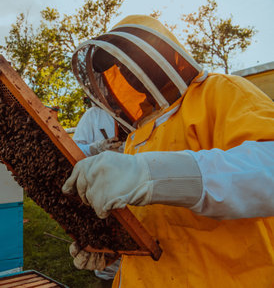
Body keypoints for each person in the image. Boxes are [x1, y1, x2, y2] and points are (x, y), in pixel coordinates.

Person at [63, 15, 274, 287]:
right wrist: (113, 244)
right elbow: (156, 221)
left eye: (133, 58)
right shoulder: (138, 135)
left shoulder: (221, 91)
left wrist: (154, 175)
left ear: (163, 52)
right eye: (120, 66)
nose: (127, 71)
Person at [73, 104, 122, 281]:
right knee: (107, 257)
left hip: (138, 193)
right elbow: (74, 150)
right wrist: (96, 148)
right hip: (102, 194)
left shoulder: (143, 110)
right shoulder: (93, 116)